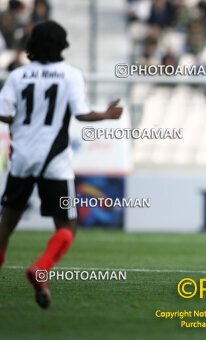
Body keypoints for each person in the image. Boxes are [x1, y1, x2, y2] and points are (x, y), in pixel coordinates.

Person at [0, 20, 123, 309]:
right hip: (55, 160)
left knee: (6, 225)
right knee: (66, 225)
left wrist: (22, 123)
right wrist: (106, 115)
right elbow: (80, 114)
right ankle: (40, 269)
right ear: (62, 45)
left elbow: (4, 114)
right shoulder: (70, 75)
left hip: (20, 158)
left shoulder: (18, 75)